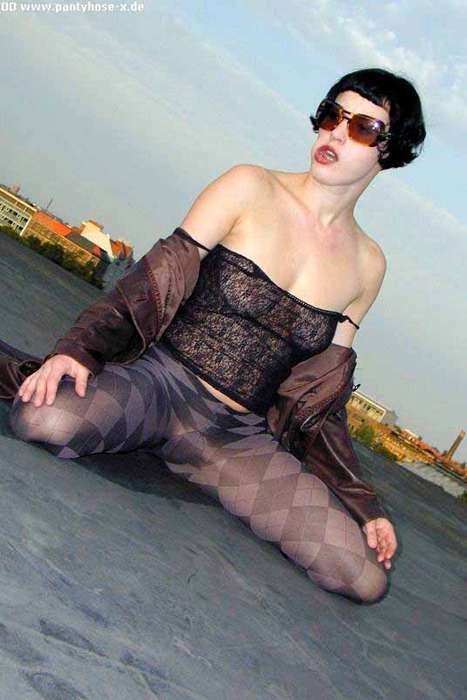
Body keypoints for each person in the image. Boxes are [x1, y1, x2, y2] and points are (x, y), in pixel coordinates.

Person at [8, 67, 426, 604]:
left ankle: (170, 451)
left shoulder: (368, 265)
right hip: (161, 385)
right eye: (331, 115)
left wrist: (363, 503)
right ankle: (134, 425)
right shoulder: (250, 186)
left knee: (362, 579)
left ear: (390, 151)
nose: (336, 134)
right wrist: (80, 349)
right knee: (44, 418)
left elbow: (320, 398)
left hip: (239, 439)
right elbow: (154, 279)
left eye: (363, 127)